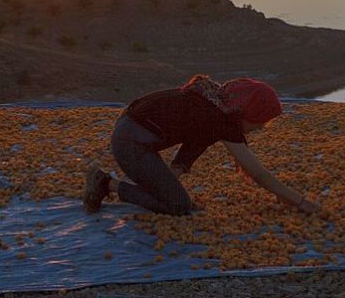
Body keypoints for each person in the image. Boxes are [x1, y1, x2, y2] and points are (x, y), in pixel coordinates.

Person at [83, 75, 321, 216]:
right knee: (178, 205)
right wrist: (299, 201)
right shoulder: (220, 118)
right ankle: (105, 183)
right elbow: (257, 172)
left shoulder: (214, 103)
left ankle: (149, 189)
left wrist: (170, 177)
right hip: (131, 143)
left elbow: (194, 141)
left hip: (134, 133)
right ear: (248, 111)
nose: (259, 129)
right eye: (260, 123)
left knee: (169, 194)